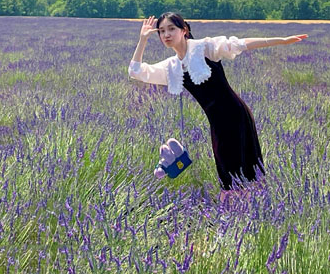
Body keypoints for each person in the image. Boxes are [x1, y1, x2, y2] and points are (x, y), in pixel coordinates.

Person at [128, 12, 308, 201]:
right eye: (162, 31)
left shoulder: (204, 48)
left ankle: (240, 215)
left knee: (241, 169)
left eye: (172, 29)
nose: (166, 35)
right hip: (217, 123)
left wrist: (282, 40)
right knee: (226, 169)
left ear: (184, 30)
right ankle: (241, 215)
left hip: (236, 115)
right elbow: (135, 71)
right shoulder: (172, 66)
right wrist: (142, 40)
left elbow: (240, 43)